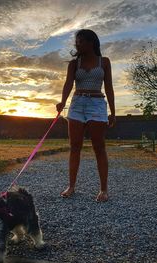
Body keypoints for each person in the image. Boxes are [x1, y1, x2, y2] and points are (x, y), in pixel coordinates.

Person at [56, 29, 116, 202]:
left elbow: (109, 87)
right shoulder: (74, 64)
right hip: (77, 104)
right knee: (75, 146)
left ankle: (103, 189)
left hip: (97, 104)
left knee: (99, 147)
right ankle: (71, 186)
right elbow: (68, 84)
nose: (77, 44)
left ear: (91, 42)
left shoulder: (104, 62)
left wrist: (113, 111)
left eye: (81, 41)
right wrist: (62, 102)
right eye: (77, 41)